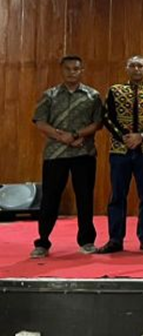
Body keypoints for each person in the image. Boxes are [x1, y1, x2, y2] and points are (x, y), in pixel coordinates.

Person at [30, 56, 103, 258]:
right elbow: (40, 122)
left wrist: (77, 135)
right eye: (68, 69)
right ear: (61, 70)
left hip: (84, 153)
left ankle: (87, 241)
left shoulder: (93, 96)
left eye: (76, 69)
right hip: (55, 154)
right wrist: (62, 137)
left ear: (82, 70)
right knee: (50, 198)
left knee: (85, 198)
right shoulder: (50, 95)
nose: (72, 72)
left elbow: (98, 123)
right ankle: (42, 242)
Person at [98, 55, 143, 254]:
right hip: (120, 149)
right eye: (132, 66)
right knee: (117, 195)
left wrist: (142, 136)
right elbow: (107, 117)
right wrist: (124, 136)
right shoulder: (115, 90)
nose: (136, 69)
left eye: (140, 66)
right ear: (127, 69)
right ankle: (115, 239)